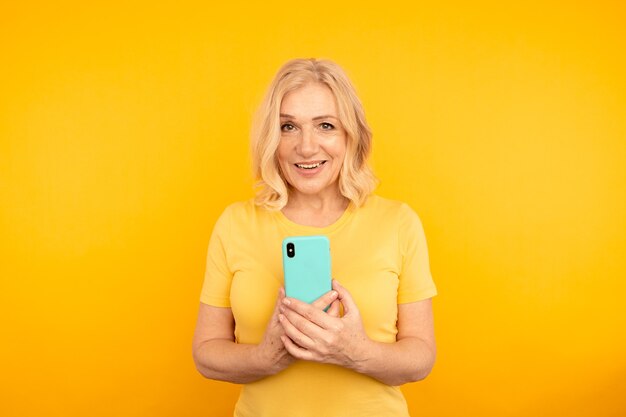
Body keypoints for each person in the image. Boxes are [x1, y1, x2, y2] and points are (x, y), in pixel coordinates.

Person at [192, 58, 437, 417]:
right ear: (270, 138)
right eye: (288, 126)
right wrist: (268, 356)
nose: (306, 147)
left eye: (325, 126)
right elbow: (206, 353)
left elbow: (420, 359)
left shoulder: (398, 222)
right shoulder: (236, 223)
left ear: (351, 135)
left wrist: (352, 349)